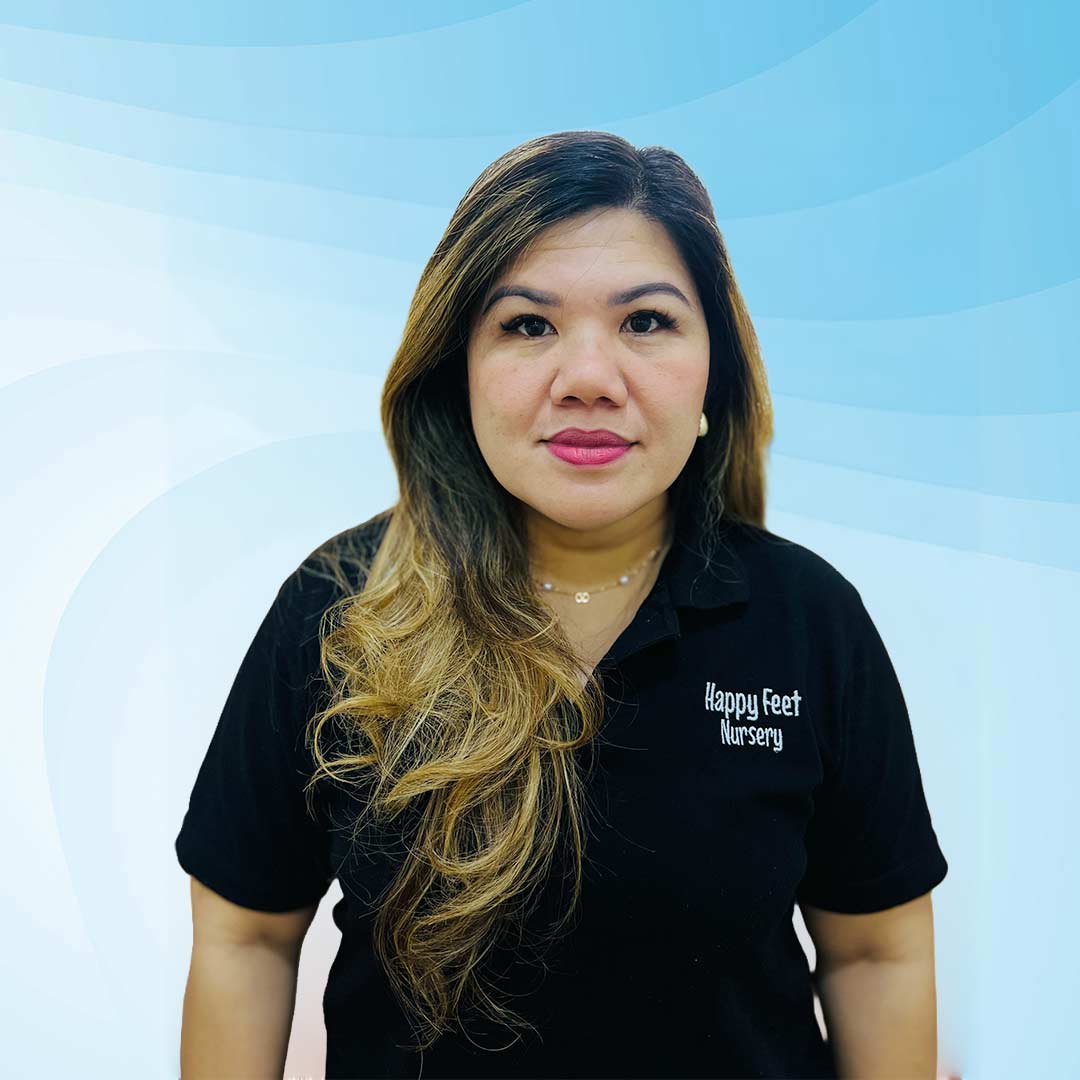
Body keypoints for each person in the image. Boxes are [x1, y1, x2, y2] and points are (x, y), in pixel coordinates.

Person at [176, 130, 948, 1079]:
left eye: (647, 322)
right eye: (528, 325)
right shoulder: (338, 609)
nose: (588, 379)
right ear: (456, 366)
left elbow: (875, 951)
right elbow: (247, 937)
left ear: (717, 369)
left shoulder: (809, 620)